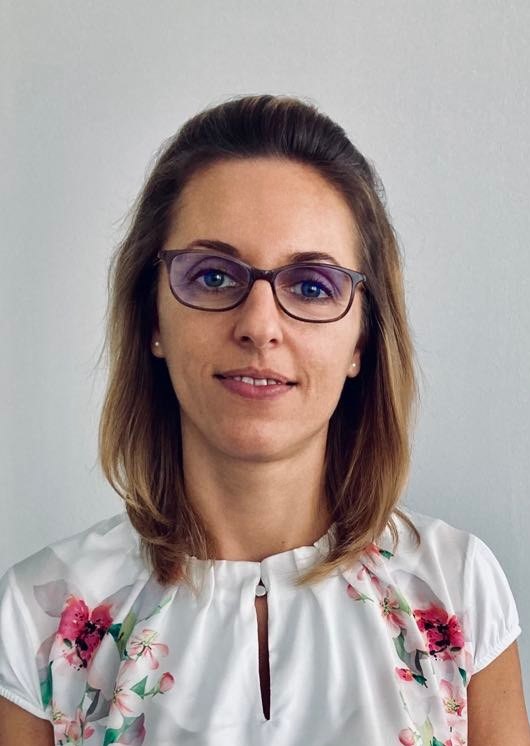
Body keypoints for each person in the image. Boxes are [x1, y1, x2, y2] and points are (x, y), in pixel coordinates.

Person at [0, 94, 528, 745]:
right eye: (213, 277)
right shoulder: (42, 616)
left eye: (311, 286)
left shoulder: (456, 589)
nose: (258, 325)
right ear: (152, 318)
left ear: (362, 340)